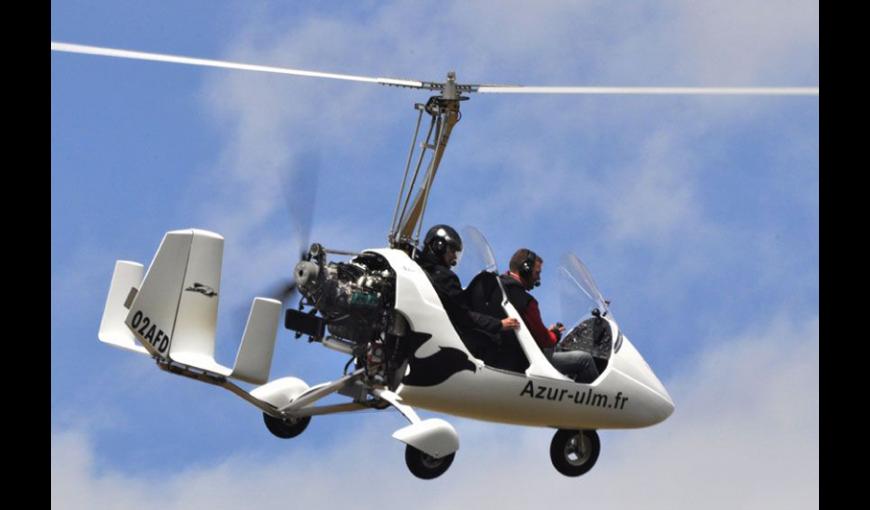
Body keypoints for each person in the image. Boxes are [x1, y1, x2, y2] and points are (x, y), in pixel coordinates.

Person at [498, 248, 600, 383]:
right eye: (537, 273)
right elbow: (545, 340)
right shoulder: (527, 302)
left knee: (557, 349)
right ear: (525, 269)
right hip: (524, 359)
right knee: (584, 360)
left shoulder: (497, 286)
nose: (538, 279)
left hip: (501, 351)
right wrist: (555, 334)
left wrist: (548, 333)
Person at [415, 225, 519, 357]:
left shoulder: (418, 268)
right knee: (494, 345)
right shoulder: (444, 276)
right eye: (452, 251)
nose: (454, 258)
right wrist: (499, 324)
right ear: (439, 245)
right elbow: (464, 315)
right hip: (446, 340)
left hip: (425, 332)